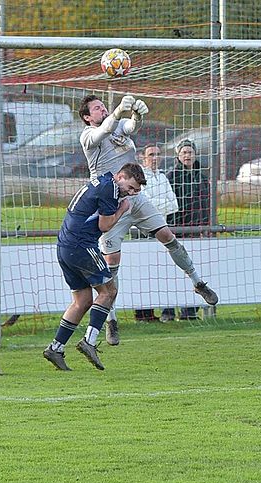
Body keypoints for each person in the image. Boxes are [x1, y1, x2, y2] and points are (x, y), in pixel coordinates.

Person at [78, 94, 218, 343]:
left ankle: (198, 282)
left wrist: (136, 115)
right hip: (110, 202)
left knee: (168, 236)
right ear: (88, 117)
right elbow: (107, 128)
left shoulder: (117, 125)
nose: (102, 110)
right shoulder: (88, 136)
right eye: (97, 108)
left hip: (135, 197)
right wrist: (119, 110)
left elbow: (130, 127)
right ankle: (111, 320)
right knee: (111, 264)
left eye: (103, 106)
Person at [42, 163, 145, 371]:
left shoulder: (102, 181)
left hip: (65, 245)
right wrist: (123, 209)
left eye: (135, 191)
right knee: (109, 291)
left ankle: (55, 348)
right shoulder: (110, 188)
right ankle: (89, 341)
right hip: (81, 246)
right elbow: (104, 226)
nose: (131, 193)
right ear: (121, 176)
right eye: (131, 187)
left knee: (83, 300)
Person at [163, 138, 213, 321]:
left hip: (196, 230)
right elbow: (168, 204)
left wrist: (207, 224)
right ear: (178, 155)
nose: (187, 155)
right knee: (173, 271)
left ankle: (190, 311)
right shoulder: (171, 176)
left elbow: (206, 202)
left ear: (195, 154)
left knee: (195, 270)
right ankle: (167, 312)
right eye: (184, 152)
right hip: (176, 229)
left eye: (190, 152)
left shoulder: (202, 175)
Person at [132, 143, 180, 322]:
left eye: (157, 154)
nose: (155, 158)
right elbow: (142, 206)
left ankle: (165, 312)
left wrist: (154, 205)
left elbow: (174, 204)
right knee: (142, 272)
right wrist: (158, 205)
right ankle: (143, 313)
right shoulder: (138, 177)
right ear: (143, 157)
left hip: (160, 230)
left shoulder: (162, 178)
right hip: (141, 232)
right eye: (151, 154)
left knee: (162, 271)